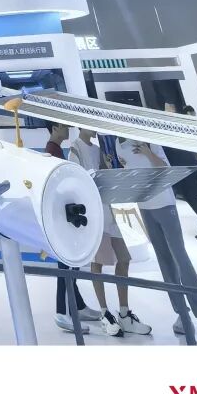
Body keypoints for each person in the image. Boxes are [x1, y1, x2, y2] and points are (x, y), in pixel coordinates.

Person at [115, 133, 197, 343]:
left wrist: (147, 151)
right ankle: (182, 313)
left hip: (164, 203)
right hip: (145, 207)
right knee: (165, 262)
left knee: (181, 259)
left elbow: (166, 168)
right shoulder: (119, 145)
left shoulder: (148, 139)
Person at [67, 129, 150, 337]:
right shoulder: (75, 149)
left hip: (110, 211)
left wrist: (113, 166)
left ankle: (124, 313)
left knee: (124, 259)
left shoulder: (99, 149)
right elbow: (77, 182)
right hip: (94, 215)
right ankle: (105, 314)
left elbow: (107, 177)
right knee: (98, 263)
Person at [45, 125, 99, 330]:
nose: (68, 129)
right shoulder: (52, 152)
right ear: (55, 128)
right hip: (61, 218)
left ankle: (78, 306)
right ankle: (62, 312)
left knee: (71, 264)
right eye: (64, 126)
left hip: (66, 215)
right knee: (66, 265)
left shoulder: (56, 150)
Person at [164, 108, 197, 239]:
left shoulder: (175, 130)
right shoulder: (174, 130)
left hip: (182, 166)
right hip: (183, 165)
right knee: (189, 195)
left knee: (189, 194)